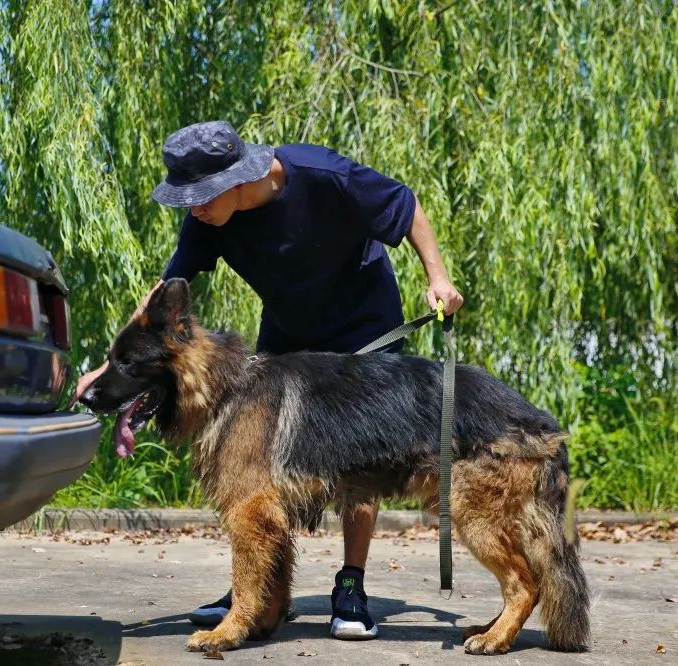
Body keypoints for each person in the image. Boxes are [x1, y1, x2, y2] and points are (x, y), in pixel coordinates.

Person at [74, 120, 463, 640]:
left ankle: (351, 585)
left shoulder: (321, 175)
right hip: (288, 330)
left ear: (236, 179)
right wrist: (111, 365)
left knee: (359, 459)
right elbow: (162, 300)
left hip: (362, 319)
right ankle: (260, 594)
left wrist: (437, 276)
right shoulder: (207, 218)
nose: (192, 209)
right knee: (263, 469)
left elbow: (404, 204)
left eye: (199, 197)